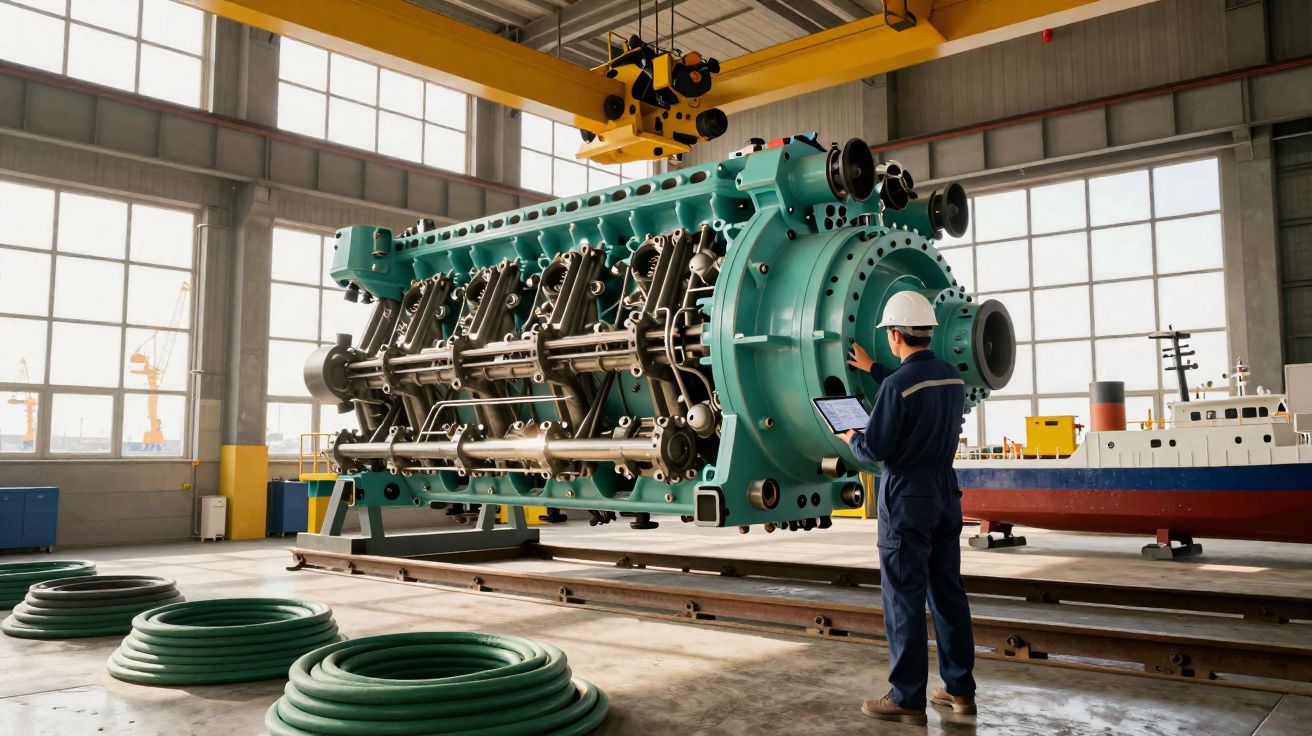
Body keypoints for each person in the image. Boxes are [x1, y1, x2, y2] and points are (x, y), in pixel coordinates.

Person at [838, 290, 977, 725]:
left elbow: (875, 447)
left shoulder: (898, 386)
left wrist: (851, 438)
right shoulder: (952, 377)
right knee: (948, 594)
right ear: (928, 332)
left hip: (907, 498)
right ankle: (960, 691)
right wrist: (875, 370)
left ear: (895, 335)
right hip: (944, 492)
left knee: (904, 600)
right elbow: (915, 391)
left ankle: (906, 697)